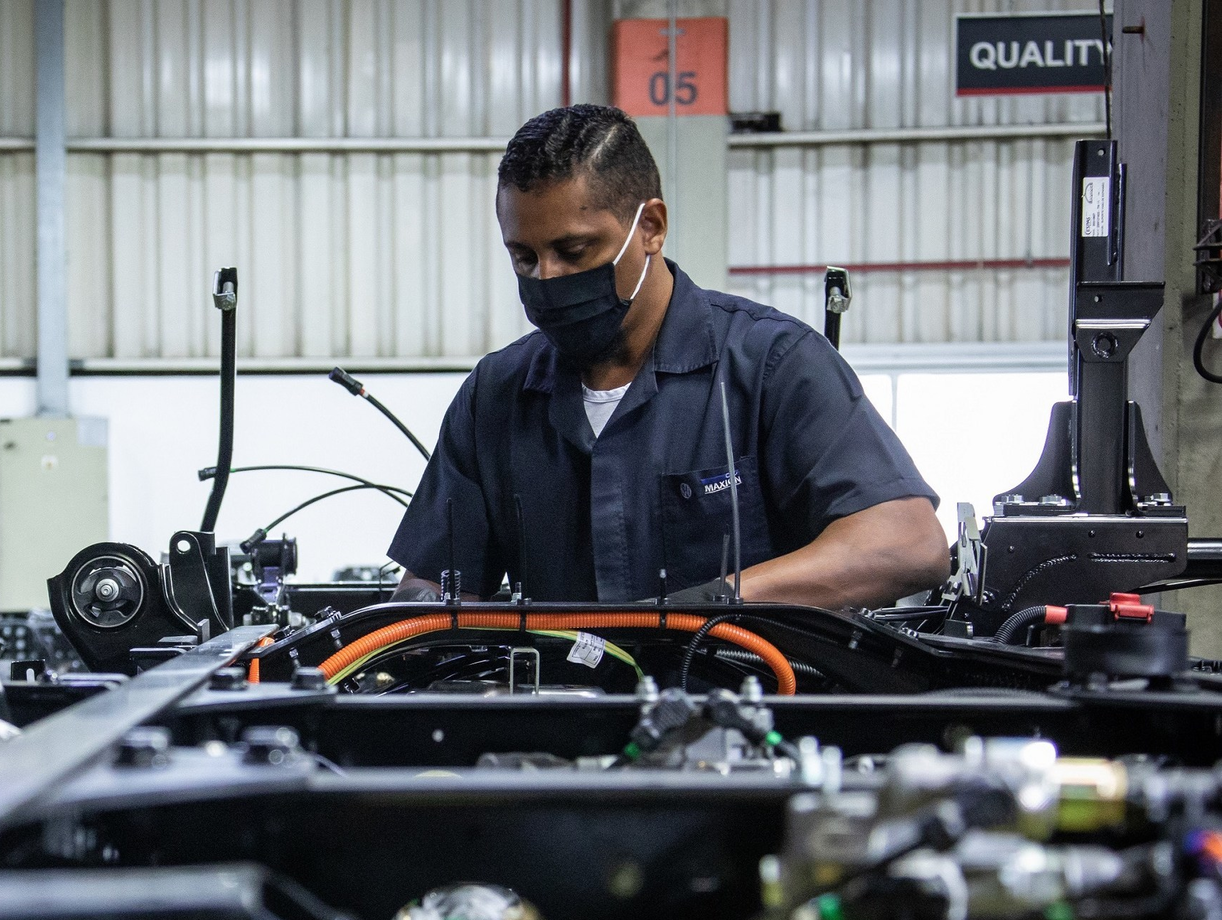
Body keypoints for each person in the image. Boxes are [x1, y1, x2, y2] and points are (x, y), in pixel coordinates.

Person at [387, 104, 948, 608]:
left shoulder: (774, 366)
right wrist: (423, 613)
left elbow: (904, 543)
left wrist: (710, 605)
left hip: (740, 710)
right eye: (524, 257)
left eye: (573, 250)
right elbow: (432, 582)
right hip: (565, 715)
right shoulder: (497, 394)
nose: (547, 278)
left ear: (650, 227)